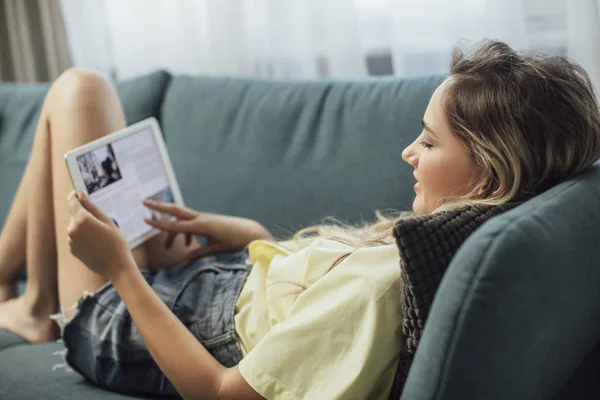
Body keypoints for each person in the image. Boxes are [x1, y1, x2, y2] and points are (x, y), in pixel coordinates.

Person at [0, 40, 599, 399]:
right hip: (214, 282)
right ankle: (21, 295)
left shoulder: (383, 290)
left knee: (76, 91)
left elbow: (217, 392)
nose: (408, 153)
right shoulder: (435, 248)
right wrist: (252, 239)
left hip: (126, 324)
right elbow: (305, 312)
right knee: (79, 110)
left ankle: (35, 307)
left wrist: (120, 273)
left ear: (491, 177)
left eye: (429, 141)